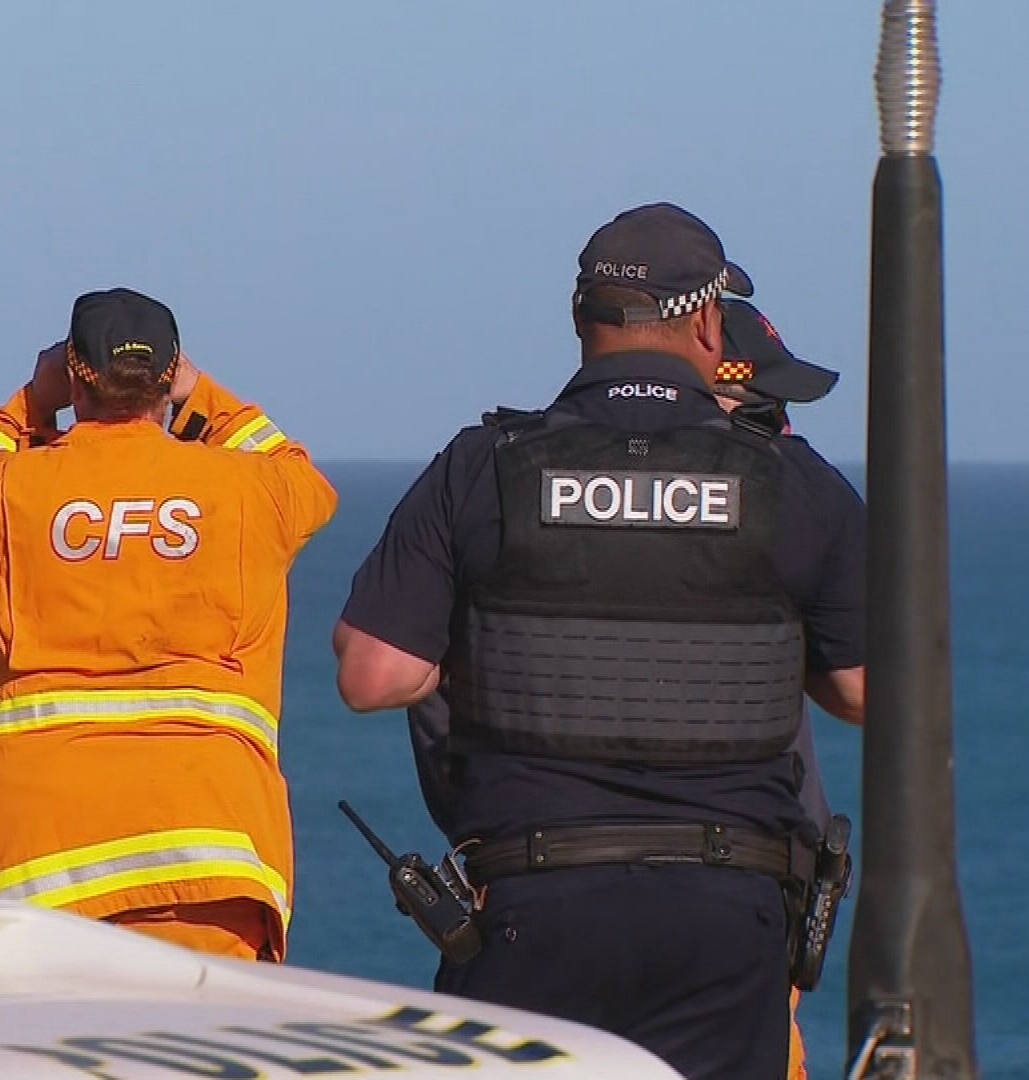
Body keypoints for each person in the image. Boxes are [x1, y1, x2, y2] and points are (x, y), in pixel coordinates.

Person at [333, 203, 865, 1080]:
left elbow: (372, 674)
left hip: (530, 907)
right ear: (705, 320)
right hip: (728, 915)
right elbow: (865, 693)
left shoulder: (482, 465)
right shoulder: (795, 481)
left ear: (581, 323)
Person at [0, 287, 336, 961]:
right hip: (214, 838)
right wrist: (202, 395)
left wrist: (31, 401)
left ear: (76, 375)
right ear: (172, 375)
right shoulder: (250, 490)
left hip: (35, 849)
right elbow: (304, 480)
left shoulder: (5, 489)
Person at [717, 295, 856, 1080]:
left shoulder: (520, 476)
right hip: (747, 892)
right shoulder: (794, 496)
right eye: (767, 411)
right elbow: (868, 690)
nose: (788, 435)